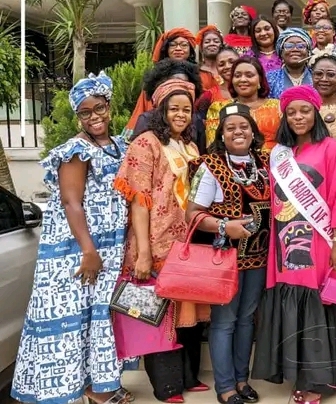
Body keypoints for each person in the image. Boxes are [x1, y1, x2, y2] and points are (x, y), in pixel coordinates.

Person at [11, 72, 133, 404]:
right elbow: (71, 202)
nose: (94, 117)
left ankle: (100, 384)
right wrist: (88, 251)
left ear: (109, 106)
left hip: (110, 246)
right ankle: (76, 388)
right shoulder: (75, 150)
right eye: (85, 112)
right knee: (73, 318)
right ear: (78, 116)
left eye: (99, 109)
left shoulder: (120, 145)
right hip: (77, 249)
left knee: (99, 314)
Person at [251, 85, 336, 404]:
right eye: (292, 112)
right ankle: (298, 373)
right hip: (284, 244)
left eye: (305, 111)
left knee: (318, 303)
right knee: (291, 304)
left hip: (320, 243)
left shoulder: (332, 148)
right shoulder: (280, 153)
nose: (298, 117)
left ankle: (316, 381)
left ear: (316, 113)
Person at [114, 79, 208, 403]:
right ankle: (167, 387)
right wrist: (143, 252)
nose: (181, 115)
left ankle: (188, 377)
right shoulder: (146, 143)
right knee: (159, 316)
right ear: (161, 111)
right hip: (154, 242)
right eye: (174, 109)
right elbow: (139, 200)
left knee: (185, 313)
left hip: (185, 243)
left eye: (186, 109)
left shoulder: (190, 146)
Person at [186, 103, 271, 404]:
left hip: (258, 258)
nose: (238, 132)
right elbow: (193, 214)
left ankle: (241, 380)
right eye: (230, 127)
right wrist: (224, 226)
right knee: (225, 321)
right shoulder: (210, 166)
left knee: (247, 319)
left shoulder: (265, 163)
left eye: (244, 126)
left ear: (253, 131)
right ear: (221, 134)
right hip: (225, 258)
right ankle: (225, 387)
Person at [122, 29, 197, 138]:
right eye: (173, 45)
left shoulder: (196, 77)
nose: (178, 48)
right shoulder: (154, 80)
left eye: (184, 45)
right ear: (166, 49)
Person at [206, 57, 282, 150]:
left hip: (275, 157)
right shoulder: (219, 108)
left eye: (249, 75)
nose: (242, 79)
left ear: (260, 79)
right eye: (237, 76)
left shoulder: (278, 107)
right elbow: (214, 146)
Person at [124, 59, 204, 148]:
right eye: (174, 83)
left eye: (185, 83)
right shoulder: (146, 119)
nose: (180, 86)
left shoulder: (195, 120)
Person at [266, 28, 313, 99]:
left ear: (308, 52)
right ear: (281, 53)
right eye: (289, 46)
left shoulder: (317, 76)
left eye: (301, 46)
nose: (295, 49)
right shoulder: (269, 79)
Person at [196, 25, 224, 91]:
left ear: (222, 46)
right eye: (207, 42)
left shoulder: (228, 69)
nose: (212, 44)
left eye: (216, 41)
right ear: (201, 47)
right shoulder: (195, 71)